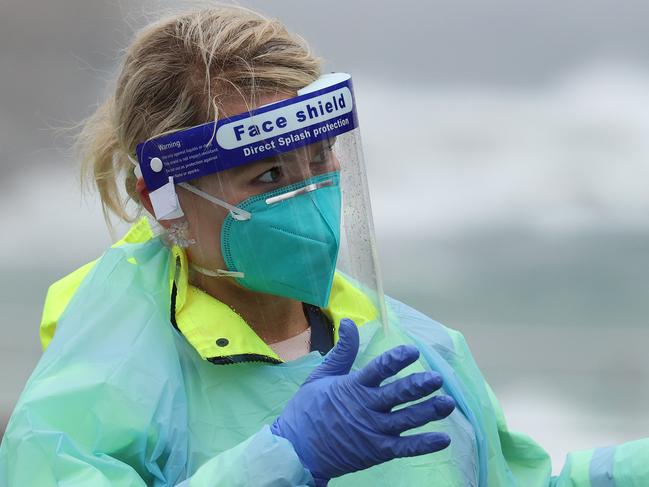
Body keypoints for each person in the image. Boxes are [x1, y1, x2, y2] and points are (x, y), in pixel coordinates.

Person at [0, 6, 647, 487]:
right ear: (158, 201)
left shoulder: (416, 348)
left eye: (320, 158)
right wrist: (283, 457)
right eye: (269, 176)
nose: (310, 195)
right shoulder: (112, 378)